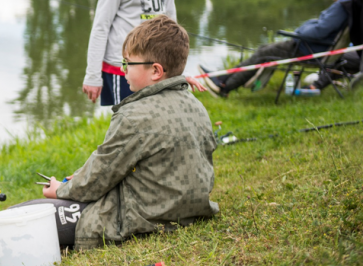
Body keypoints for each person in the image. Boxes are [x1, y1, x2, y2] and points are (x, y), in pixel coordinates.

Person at [15, 16, 219, 250]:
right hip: (192, 210)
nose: (123, 71)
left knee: (23, 215)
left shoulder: (134, 115)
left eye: (127, 64)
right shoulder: (196, 105)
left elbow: (99, 176)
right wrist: (81, 174)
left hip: (144, 218)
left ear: (155, 71)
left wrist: (60, 189)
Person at [200, 0, 363, 97]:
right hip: (320, 49)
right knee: (265, 50)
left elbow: (320, 30)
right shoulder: (354, 5)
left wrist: (298, 32)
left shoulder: (342, 6)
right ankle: (224, 80)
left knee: (265, 52)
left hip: (309, 49)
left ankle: (224, 85)